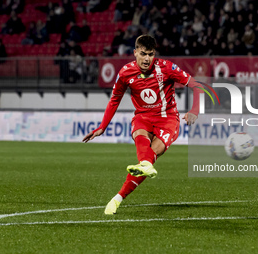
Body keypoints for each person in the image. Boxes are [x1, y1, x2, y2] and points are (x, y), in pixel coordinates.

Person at [82, 34, 200, 215]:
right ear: (135, 52)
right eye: (143, 54)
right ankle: (143, 166)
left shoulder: (167, 68)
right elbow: (114, 99)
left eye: (151, 54)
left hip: (167, 119)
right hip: (143, 117)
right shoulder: (125, 73)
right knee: (140, 138)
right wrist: (102, 127)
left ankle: (117, 198)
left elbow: (196, 85)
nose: (147, 59)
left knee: (150, 157)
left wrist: (194, 110)